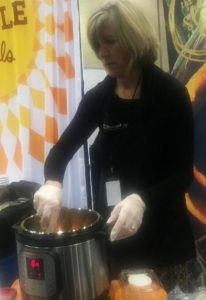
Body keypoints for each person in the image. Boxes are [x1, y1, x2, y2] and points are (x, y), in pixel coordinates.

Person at [33, 0, 196, 292]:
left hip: (166, 244)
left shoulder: (171, 94)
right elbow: (60, 152)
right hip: (117, 243)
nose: (102, 52)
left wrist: (141, 199)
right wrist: (52, 183)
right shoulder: (100, 97)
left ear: (133, 38)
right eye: (97, 44)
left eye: (109, 41)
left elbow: (181, 175)